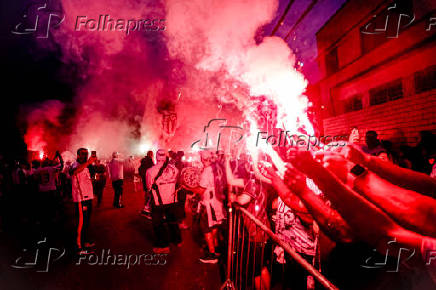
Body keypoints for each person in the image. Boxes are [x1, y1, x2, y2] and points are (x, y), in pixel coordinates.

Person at [187, 150, 226, 264]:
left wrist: (188, 187)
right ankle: (216, 248)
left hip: (209, 204)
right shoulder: (219, 168)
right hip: (217, 202)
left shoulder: (207, 171)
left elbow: (201, 190)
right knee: (214, 226)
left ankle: (212, 254)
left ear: (204, 159)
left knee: (206, 228)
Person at [146, 149, 181, 254]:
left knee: (158, 224)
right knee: (172, 221)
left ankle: (163, 245)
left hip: (158, 202)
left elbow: (149, 187)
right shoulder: (175, 169)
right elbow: (178, 183)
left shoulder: (150, 171)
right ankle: (177, 240)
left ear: (156, 157)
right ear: (166, 157)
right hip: (172, 200)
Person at [70, 148, 96, 255]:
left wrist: (92, 164)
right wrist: (88, 162)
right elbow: (74, 172)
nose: (85, 155)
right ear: (78, 155)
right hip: (81, 199)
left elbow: (92, 176)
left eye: (86, 154)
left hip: (88, 197)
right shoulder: (74, 164)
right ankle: (79, 247)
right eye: (83, 154)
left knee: (86, 221)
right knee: (81, 223)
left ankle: (85, 242)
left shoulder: (87, 165)